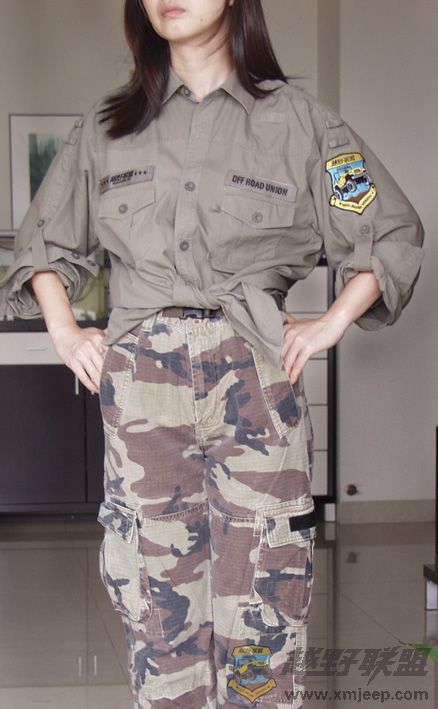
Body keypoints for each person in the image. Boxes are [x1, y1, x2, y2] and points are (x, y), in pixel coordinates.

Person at [0, 0, 425, 707]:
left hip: (256, 377)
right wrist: (66, 331)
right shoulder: (107, 127)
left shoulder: (303, 124)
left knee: (264, 598)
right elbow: (44, 241)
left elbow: (390, 231)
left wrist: (329, 323)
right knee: (155, 600)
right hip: (143, 386)